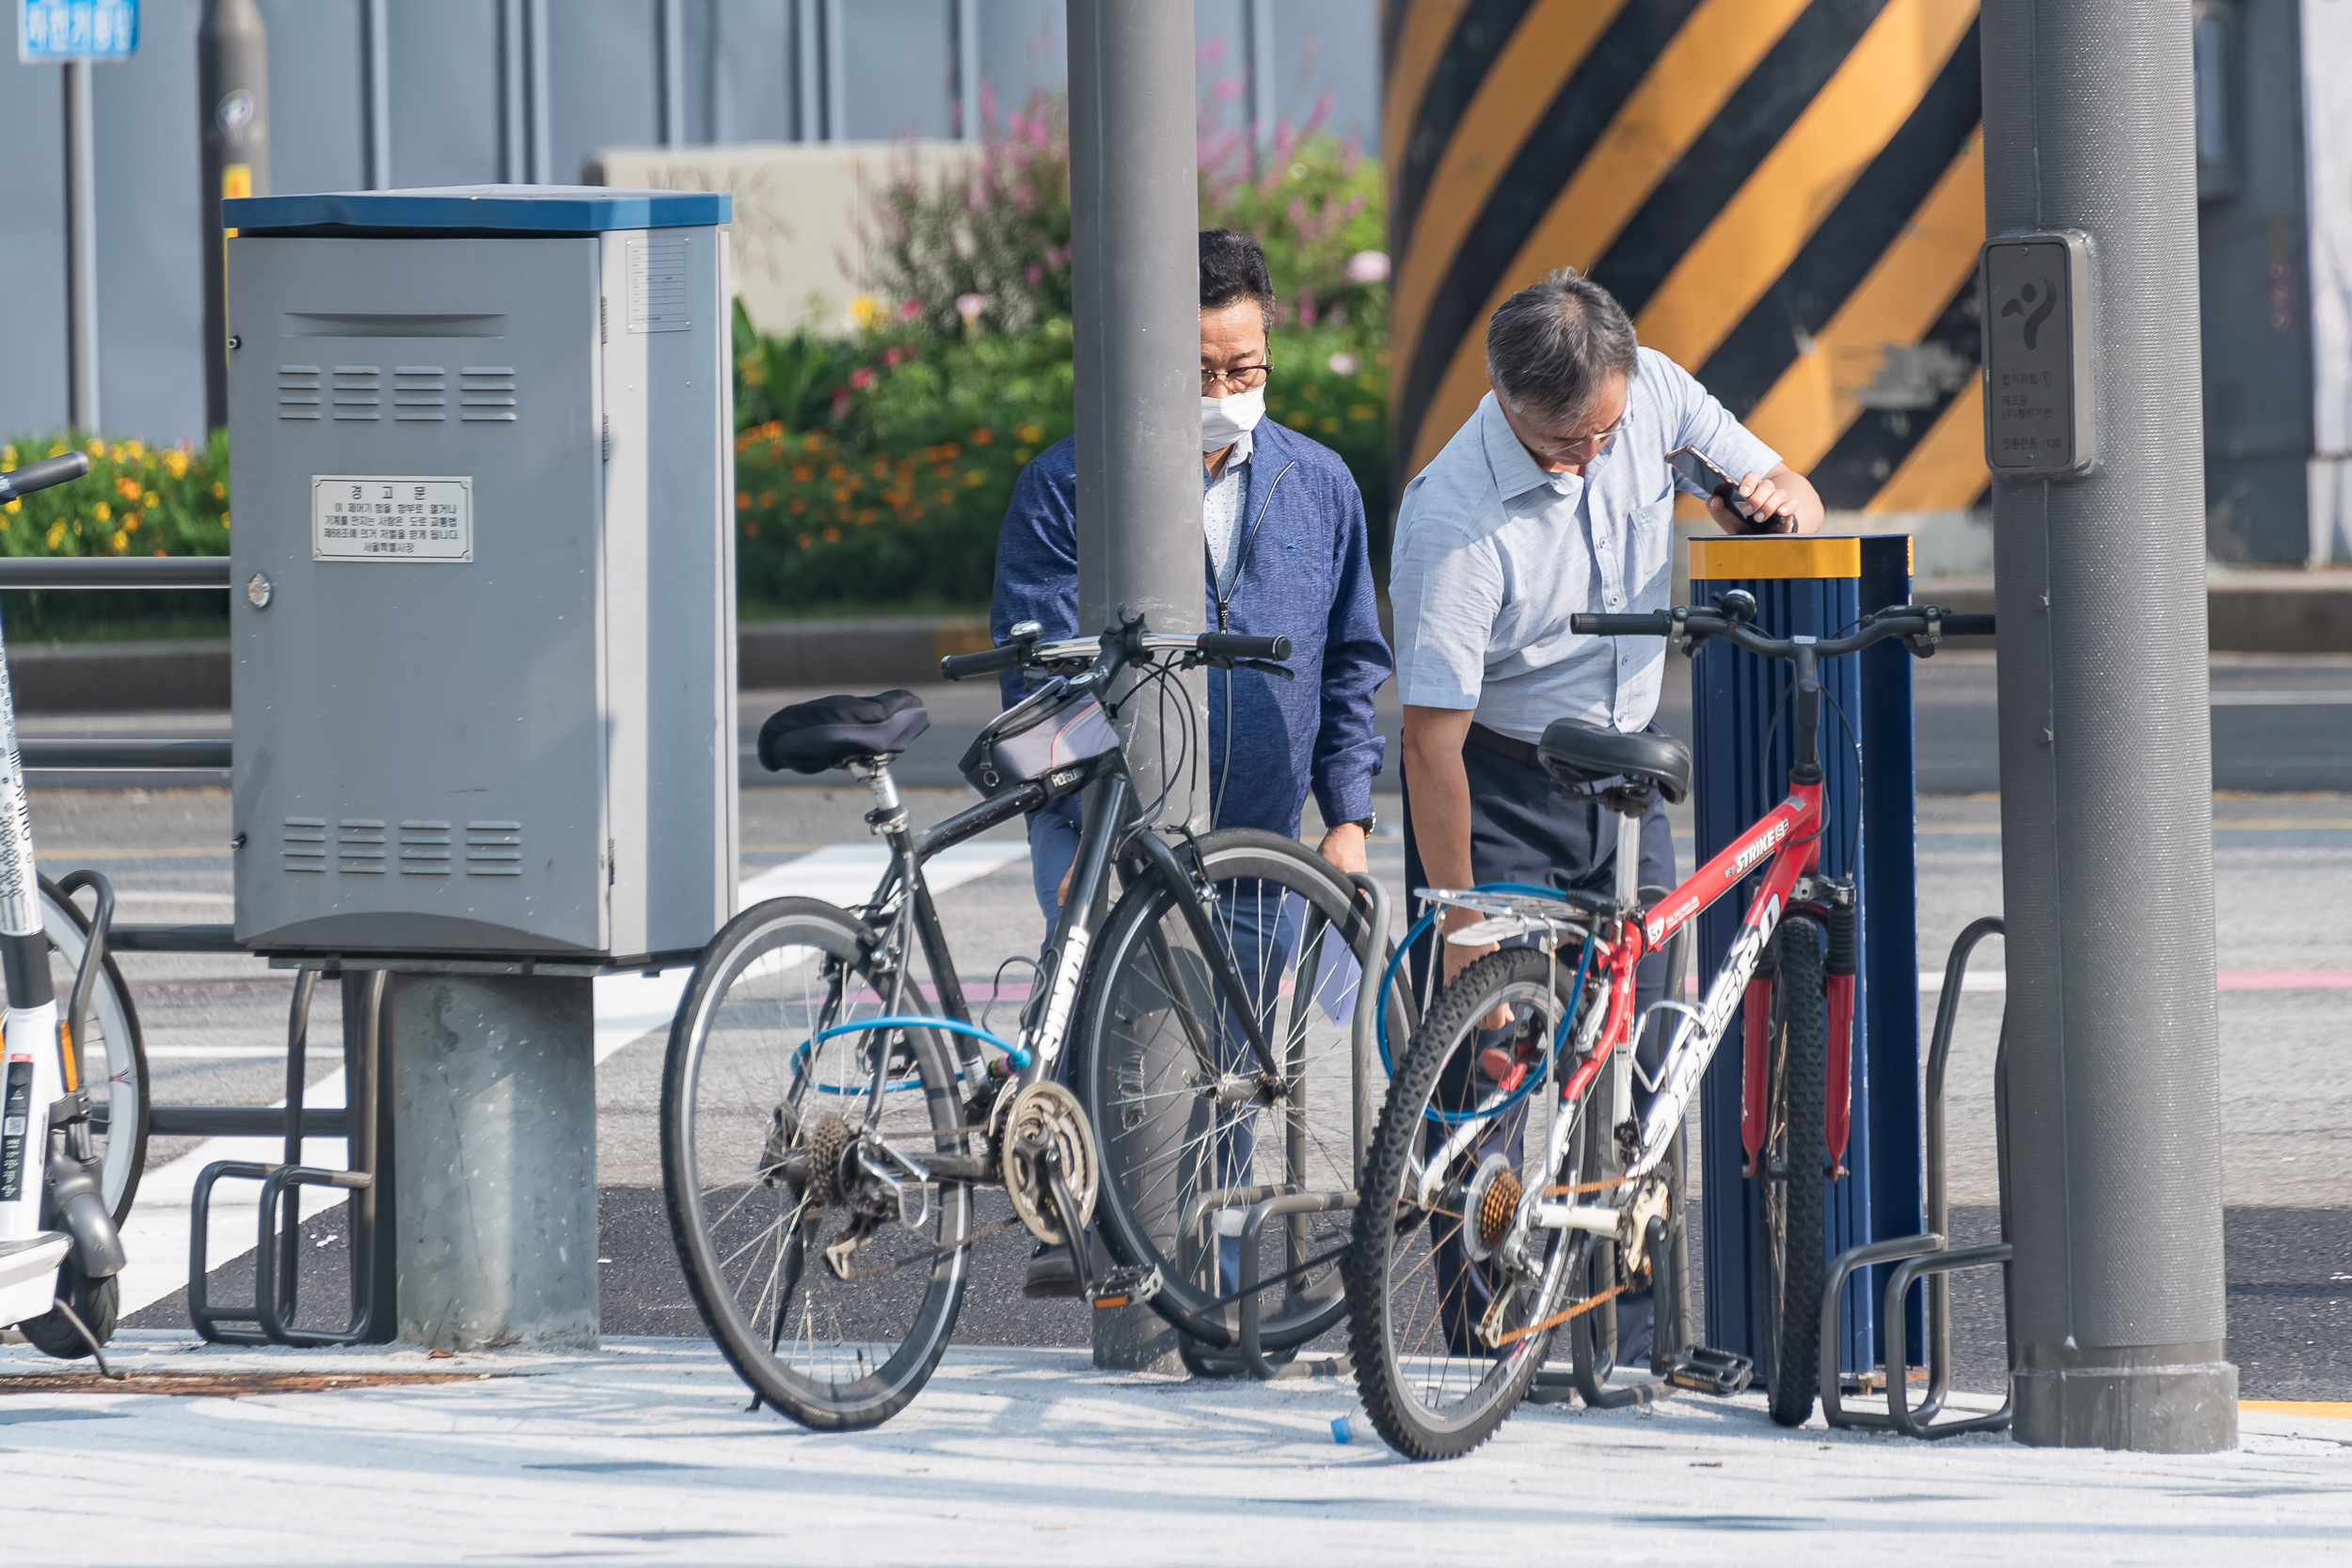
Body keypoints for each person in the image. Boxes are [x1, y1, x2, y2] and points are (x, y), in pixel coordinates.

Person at [1390, 267, 1822, 1361]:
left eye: (1604, 433)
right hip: (1499, 785)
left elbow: (1783, 483)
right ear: (1503, 399)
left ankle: (1619, 1343)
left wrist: (1766, 498)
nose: (1589, 458)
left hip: (1628, 780)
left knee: (1625, 1061)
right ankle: (1482, 1343)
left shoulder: (1654, 397)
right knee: (1488, 1065)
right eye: (1562, 444)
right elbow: (1429, 742)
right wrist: (1457, 927)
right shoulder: (1451, 517)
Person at [990, 228, 1393, 1297]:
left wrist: (1346, 817)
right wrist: (1082, 831)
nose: (1225, 390)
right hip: (1113, 828)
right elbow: (1035, 688)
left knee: (1236, 1074)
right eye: (1201, 372)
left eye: (1244, 368)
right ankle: (1099, 1234)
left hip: (1264, 835)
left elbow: (1354, 661)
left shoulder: (1319, 484)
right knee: (1137, 1050)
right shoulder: (1071, 484)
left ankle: (1211, 1291)